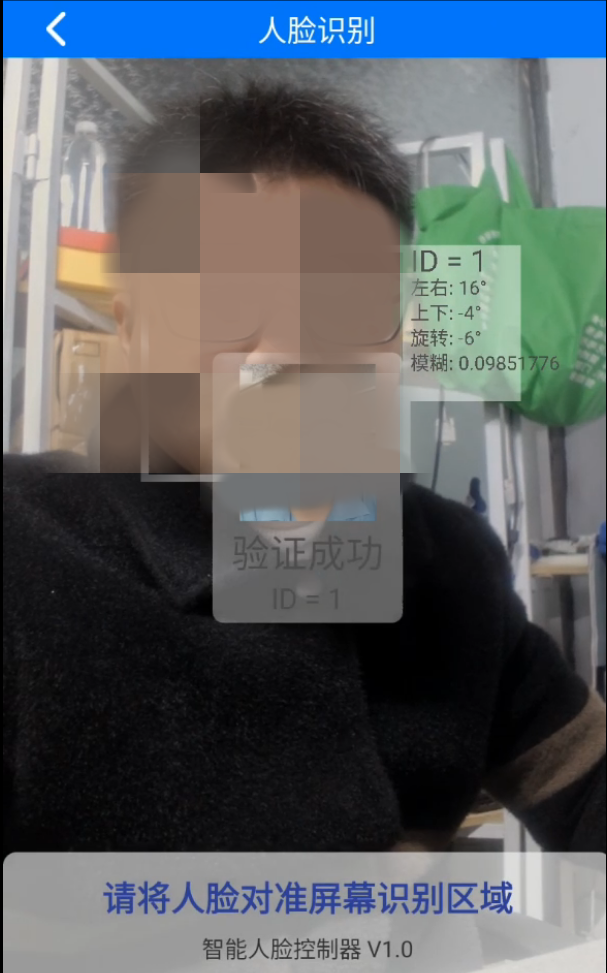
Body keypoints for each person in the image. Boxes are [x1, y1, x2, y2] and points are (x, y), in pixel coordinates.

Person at [3, 81, 605, 855]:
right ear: (132, 331)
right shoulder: (24, 554)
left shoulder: (448, 562)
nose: (287, 352)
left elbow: (586, 784)